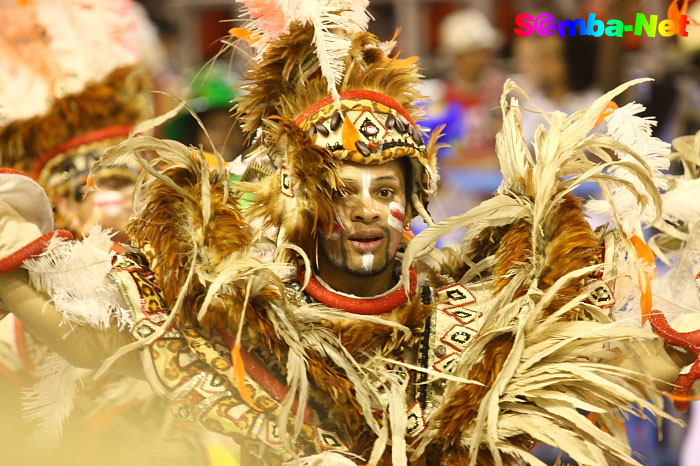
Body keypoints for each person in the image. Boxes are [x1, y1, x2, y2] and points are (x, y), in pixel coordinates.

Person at [1, 1, 699, 464]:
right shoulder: (240, 311)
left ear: (411, 202)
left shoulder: (475, 317)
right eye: (341, 191)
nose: (366, 207)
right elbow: (101, 337)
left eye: (386, 189)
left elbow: (627, 364)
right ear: (305, 204)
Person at [0, 1, 212, 465]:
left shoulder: (195, 280)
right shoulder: (14, 328)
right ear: (55, 208)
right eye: (90, 188)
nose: (117, 203)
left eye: (128, 181)